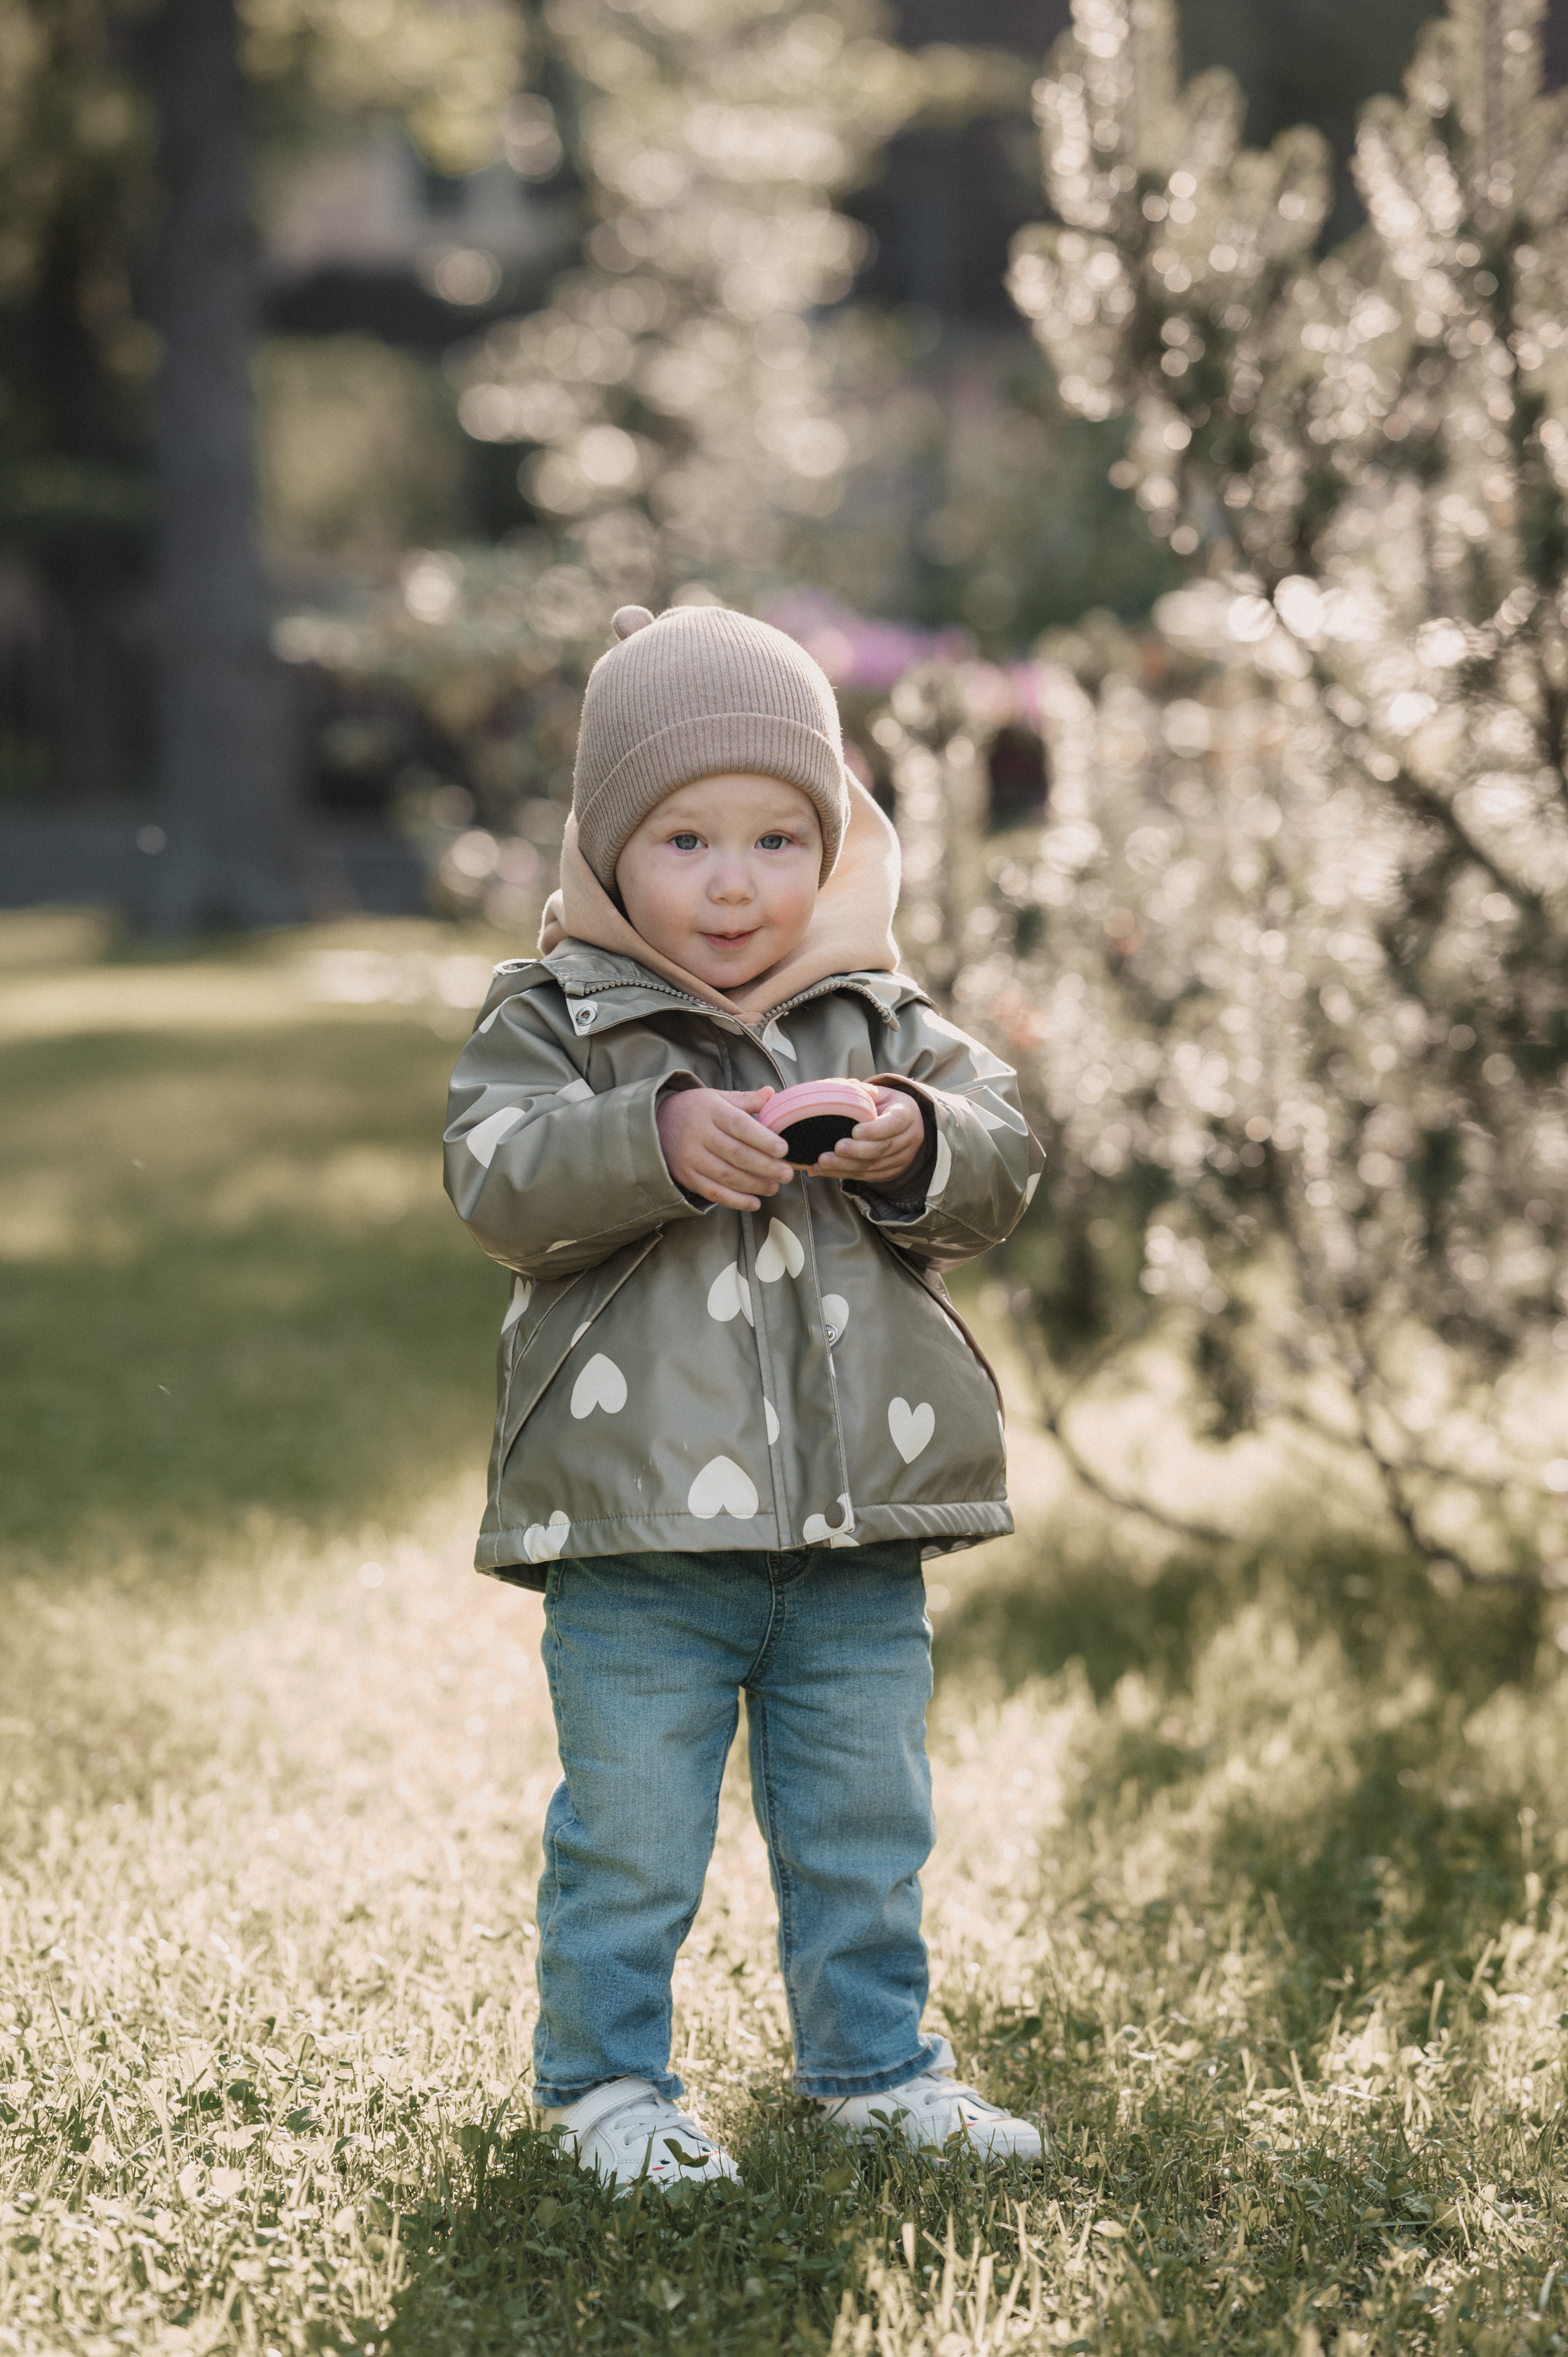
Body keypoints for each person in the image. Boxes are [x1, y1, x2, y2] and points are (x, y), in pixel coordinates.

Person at [444, 603, 1046, 2191]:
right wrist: (647, 1139)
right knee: (632, 1837)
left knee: (866, 1822)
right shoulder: (557, 1020)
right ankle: (605, 2087)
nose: (735, 881)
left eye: (779, 836)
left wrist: (915, 1135)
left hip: (858, 1526)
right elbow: (495, 1181)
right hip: (638, 1536)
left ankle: (873, 2066)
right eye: (686, 838)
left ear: (836, 838)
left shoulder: (880, 1017)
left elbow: (999, 1163)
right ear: (605, 852)